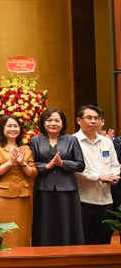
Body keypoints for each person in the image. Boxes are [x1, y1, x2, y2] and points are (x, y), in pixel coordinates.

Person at [30, 107, 85, 246]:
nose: (53, 123)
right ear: (43, 123)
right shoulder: (35, 140)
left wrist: (62, 163)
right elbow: (30, 164)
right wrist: (46, 166)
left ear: (62, 123)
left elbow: (80, 165)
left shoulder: (71, 140)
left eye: (57, 120)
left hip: (67, 189)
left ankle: (69, 251)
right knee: (45, 223)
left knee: (66, 223)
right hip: (44, 188)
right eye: (49, 120)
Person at [0, 115, 36, 247]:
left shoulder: (26, 148)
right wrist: (10, 163)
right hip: (2, 196)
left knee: (22, 231)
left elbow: (33, 173)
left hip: (23, 196)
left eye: (15, 126)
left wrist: (22, 163)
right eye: (9, 126)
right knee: (3, 231)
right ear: (2, 128)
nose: (13, 129)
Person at [74, 105, 119, 245]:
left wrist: (114, 176)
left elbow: (115, 164)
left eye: (96, 118)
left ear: (101, 121)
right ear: (79, 120)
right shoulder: (72, 141)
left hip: (106, 199)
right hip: (83, 200)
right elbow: (75, 169)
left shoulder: (107, 142)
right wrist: (98, 177)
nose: (93, 121)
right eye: (89, 118)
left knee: (104, 240)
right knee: (85, 241)